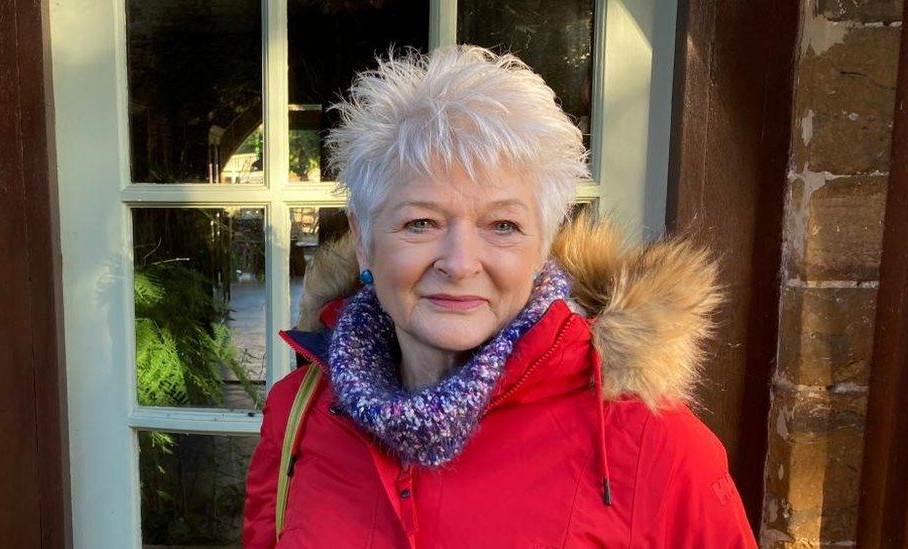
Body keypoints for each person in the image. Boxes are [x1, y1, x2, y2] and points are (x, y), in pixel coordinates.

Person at [242, 45, 757, 548]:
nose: (461, 262)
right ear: (363, 239)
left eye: (503, 225)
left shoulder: (650, 443)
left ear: (542, 248)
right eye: (420, 222)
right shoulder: (299, 412)